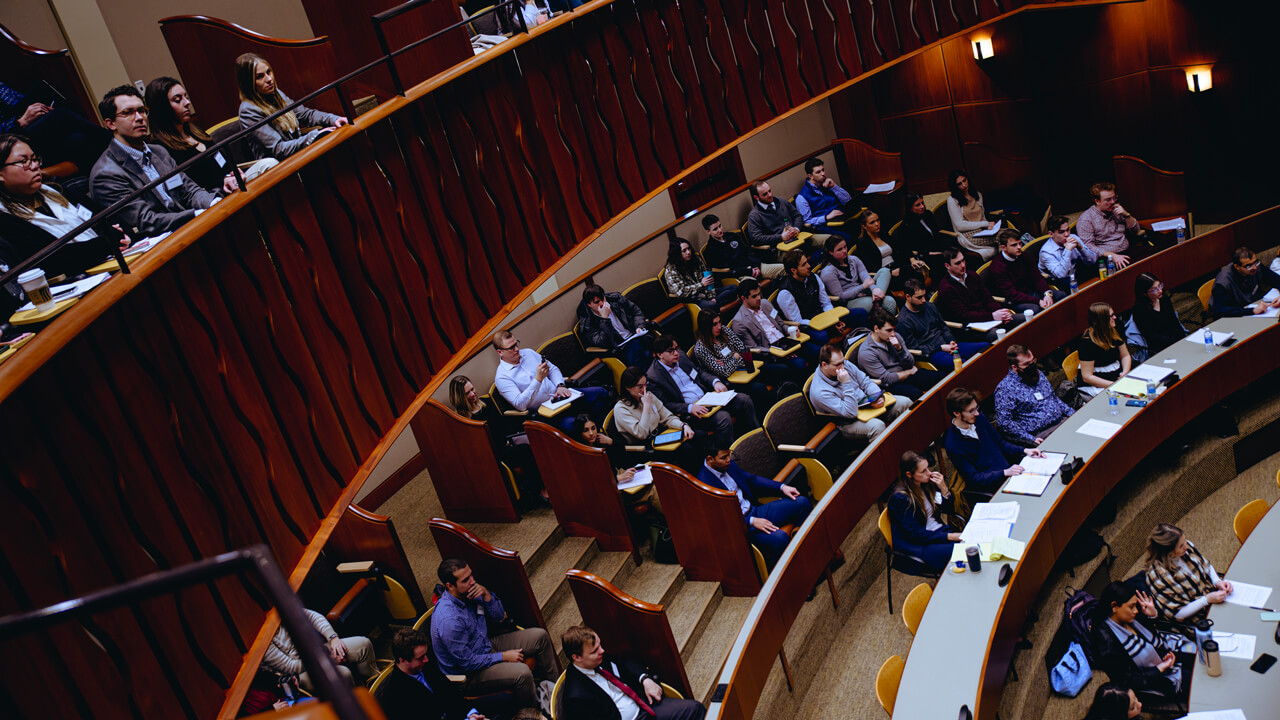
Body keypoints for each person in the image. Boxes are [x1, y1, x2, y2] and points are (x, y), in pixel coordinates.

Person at [89, 85, 226, 237]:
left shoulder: (158, 151)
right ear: (111, 123)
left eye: (141, 110)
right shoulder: (105, 174)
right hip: (160, 241)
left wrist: (213, 202)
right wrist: (196, 214)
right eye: (128, 112)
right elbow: (146, 221)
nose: (139, 118)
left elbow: (190, 191)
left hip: (191, 227)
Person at [0, 134, 130, 288]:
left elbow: (109, 219)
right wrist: (108, 242)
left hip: (114, 265)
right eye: (24, 162)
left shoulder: (59, 191)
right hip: (76, 287)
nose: (34, 166)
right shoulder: (5, 221)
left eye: (34, 159)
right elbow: (57, 259)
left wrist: (121, 236)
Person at [430, 559, 559, 710]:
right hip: (469, 674)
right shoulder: (449, 620)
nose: (472, 581)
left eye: (471, 575)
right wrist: (503, 656)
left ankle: (556, 695)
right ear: (450, 586)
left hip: (485, 645)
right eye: (465, 580)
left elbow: (499, 617)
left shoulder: (471, 592)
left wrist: (486, 595)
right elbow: (467, 662)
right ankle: (534, 714)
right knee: (522, 673)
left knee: (540, 636)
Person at [145, 77, 278, 193]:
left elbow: (224, 163)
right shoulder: (161, 149)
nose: (187, 103)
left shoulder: (196, 132)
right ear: (162, 108)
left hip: (235, 183)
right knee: (269, 164)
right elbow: (188, 187)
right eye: (178, 100)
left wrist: (233, 172)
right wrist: (224, 181)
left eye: (186, 97)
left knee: (271, 165)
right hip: (213, 196)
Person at [696, 443, 810, 566]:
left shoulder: (727, 464)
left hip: (754, 510)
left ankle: (803, 548)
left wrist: (782, 487)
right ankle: (785, 576)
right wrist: (751, 521)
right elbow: (720, 521)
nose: (728, 459)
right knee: (780, 538)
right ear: (710, 459)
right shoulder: (704, 485)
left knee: (802, 502)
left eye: (729, 455)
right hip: (741, 528)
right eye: (723, 457)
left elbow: (752, 480)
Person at [559, 625, 706, 720]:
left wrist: (645, 679)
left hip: (643, 705)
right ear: (576, 658)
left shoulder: (598, 659)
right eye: (595, 650)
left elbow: (624, 664)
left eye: (600, 645)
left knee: (695, 709)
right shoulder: (576, 697)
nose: (602, 650)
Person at [646, 333, 757, 447]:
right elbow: (665, 405)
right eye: (670, 351)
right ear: (660, 354)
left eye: (676, 348)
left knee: (744, 400)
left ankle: (755, 438)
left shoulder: (681, 357)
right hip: (691, 413)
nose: (676, 353)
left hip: (708, 398)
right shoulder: (654, 377)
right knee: (723, 418)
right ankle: (726, 453)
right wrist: (689, 408)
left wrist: (715, 382)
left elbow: (699, 372)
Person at [236, 53, 348, 160]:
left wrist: (334, 119)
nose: (269, 79)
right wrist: (315, 135)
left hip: (298, 155)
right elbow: (278, 149)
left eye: (268, 72)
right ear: (248, 84)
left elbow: (306, 114)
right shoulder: (248, 110)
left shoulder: (276, 93)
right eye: (260, 77)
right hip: (279, 166)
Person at [1088, 582, 1183, 699]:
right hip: (1152, 680)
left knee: (1198, 655)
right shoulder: (1105, 643)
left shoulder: (1130, 617)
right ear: (1114, 606)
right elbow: (1126, 681)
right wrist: (1160, 669)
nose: (1136, 610)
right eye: (1131, 606)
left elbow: (1155, 636)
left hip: (1166, 652)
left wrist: (1153, 616)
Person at [492, 330, 610, 423]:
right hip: (546, 411)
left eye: (516, 344)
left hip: (561, 395)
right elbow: (520, 404)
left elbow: (553, 370)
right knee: (574, 424)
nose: (517, 349)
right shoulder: (502, 377)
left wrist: (560, 385)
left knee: (601, 393)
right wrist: (538, 380)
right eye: (511, 348)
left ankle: (597, 430)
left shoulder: (528, 353)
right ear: (500, 352)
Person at [374, 628, 490, 720]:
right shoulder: (394, 694)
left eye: (425, 654)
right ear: (403, 660)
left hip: (456, 711)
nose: (426, 659)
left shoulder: (425, 663)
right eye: (420, 658)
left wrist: (471, 714)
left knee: (500, 701)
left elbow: (450, 692)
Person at [943, 388, 1043, 494]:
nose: (977, 413)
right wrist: (1004, 472)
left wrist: (1025, 450)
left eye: (976, 408)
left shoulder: (979, 418)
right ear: (956, 413)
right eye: (971, 411)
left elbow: (1001, 443)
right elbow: (974, 478)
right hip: (994, 487)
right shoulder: (953, 444)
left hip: (1010, 474)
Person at [0, 81, 110, 175]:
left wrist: (38, 109)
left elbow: (15, 101)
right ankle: (115, 142)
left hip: (21, 125)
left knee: (78, 139)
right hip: (8, 140)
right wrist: (20, 122)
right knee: (60, 115)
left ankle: (110, 174)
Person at [808, 344, 910, 442]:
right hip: (847, 422)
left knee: (905, 402)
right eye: (838, 365)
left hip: (867, 405)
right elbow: (850, 412)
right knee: (877, 426)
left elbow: (865, 381)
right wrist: (846, 383)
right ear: (824, 365)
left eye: (843, 362)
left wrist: (877, 396)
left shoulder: (844, 364)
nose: (843, 367)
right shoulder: (819, 391)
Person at [260, 607, 377, 690]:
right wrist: (325, 659)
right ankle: (357, 706)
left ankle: (374, 687)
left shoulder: (278, 610)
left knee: (363, 645)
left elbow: (313, 617)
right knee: (343, 674)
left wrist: (333, 638)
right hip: (298, 673)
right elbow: (290, 667)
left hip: (316, 652)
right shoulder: (261, 638)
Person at [1142, 523, 1233, 622]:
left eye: (1184, 540)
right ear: (1168, 553)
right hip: (1199, 617)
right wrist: (1206, 600)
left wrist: (1217, 582)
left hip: (1215, 596)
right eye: (1181, 546)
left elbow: (1205, 564)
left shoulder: (1186, 548)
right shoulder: (1157, 576)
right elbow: (1177, 613)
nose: (1186, 545)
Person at [887, 450, 961, 572]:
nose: (929, 473)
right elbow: (916, 534)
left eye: (928, 468)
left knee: (973, 546)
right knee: (964, 553)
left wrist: (944, 489)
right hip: (920, 545)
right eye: (923, 471)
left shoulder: (926, 483)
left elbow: (949, 510)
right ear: (909, 474)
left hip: (938, 534)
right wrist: (951, 536)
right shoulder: (900, 498)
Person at [856, 308, 946, 401]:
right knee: (918, 396)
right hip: (890, 385)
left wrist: (900, 349)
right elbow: (887, 379)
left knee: (942, 378)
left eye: (894, 329)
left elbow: (910, 363)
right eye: (889, 330)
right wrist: (909, 372)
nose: (893, 334)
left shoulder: (896, 337)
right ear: (876, 329)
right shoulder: (866, 352)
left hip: (906, 374)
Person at [896, 279, 988, 368]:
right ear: (908, 297)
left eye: (924, 296)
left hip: (947, 345)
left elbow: (943, 327)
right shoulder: (903, 321)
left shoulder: (929, 306)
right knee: (961, 364)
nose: (924, 300)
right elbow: (914, 348)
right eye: (919, 297)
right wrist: (940, 347)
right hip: (932, 353)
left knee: (986, 347)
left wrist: (951, 341)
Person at [993, 344, 1073, 444]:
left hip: (1061, 421)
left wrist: (1072, 413)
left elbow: (1053, 398)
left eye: (1033, 361)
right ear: (1014, 367)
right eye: (1027, 364)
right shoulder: (1005, 389)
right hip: (1041, 433)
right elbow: (1004, 423)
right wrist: (1031, 439)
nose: (1032, 365)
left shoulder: (1038, 373)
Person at [689, 310, 768, 410]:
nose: (719, 327)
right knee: (760, 388)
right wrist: (735, 356)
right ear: (706, 327)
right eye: (714, 324)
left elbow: (742, 349)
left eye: (719, 322)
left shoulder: (724, 330)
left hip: (744, 369)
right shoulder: (701, 348)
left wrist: (728, 362)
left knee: (778, 370)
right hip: (730, 383)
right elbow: (724, 372)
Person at [731, 278, 817, 368]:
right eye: (754, 296)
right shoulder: (739, 322)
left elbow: (781, 323)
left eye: (759, 294)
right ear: (744, 298)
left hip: (786, 341)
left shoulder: (765, 304)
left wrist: (789, 330)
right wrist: (778, 351)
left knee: (817, 350)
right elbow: (754, 348)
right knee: (800, 363)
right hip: (771, 352)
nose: (759, 298)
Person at [935, 246, 1021, 329]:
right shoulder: (946, 288)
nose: (963, 265)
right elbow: (964, 316)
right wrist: (992, 316)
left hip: (989, 317)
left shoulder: (972, 275)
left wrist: (1001, 313)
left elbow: (987, 299)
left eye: (963, 260)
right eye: (958, 263)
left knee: (1022, 319)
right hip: (972, 327)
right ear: (947, 266)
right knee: (998, 333)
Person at [984, 229, 1064, 315]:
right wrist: (1038, 301)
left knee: (1060, 295)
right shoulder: (997, 266)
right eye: (1014, 245)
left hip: (1031, 292)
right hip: (1014, 300)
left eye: (1020, 243)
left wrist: (1047, 293)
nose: (1019, 247)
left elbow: (1037, 277)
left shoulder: (1024, 256)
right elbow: (1011, 294)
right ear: (1004, 248)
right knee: (1035, 309)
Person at [611, 365, 694, 447]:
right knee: (686, 448)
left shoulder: (648, 395)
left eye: (645, 384)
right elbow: (642, 434)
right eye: (640, 386)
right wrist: (646, 406)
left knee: (696, 436)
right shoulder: (621, 408)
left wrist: (683, 425)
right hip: (646, 446)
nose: (644, 389)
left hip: (661, 435)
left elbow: (667, 417)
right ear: (628, 387)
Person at [818, 235, 894, 319]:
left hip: (863, 291)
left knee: (885, 271)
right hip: (849, 300)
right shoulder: (828, 272)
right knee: (888, 302)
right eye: (840, 249)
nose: (844, 251)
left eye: (845, 247)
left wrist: (874, 289)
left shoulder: (853, 259)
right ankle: (879, 310)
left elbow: (865, 276)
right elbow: (840, 296)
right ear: (830, 252)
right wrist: (863, 286)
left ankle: (877, 302)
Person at [576, 283, 652, 368]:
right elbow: (604, 342)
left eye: (602, 299)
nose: (602, 304)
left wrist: (639, 326)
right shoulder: (588, 323)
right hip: (620, 348)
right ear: (589, 305)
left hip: (635, 335)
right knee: (641, 353)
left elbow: (636, 312)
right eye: (597, 302)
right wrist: (604, 319)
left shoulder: (616, 299)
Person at [746, 180, 828, 252]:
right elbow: (756, 239)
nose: (770, 195)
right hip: (780, 248)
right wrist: (781, 237)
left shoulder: (782, 201)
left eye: (770, 191)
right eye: (765, 194)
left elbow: (798, 216)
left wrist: (796, 228)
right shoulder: (755, 215)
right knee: (798, 255)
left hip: (799, 238)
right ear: (756, 197)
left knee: (831, 241)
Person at [1077, 182, 1143, 269]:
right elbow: (1088, 246)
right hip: (1106, 257)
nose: (1113, 202)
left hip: (1127, 250)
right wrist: (1112, 255)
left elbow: (1136, 231)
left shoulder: (1117, 210)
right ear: (1097, 201)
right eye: (1108, 200)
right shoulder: (1086, 219)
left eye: (1114, 198)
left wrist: (1127, 215)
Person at [775, 249, 834, 347]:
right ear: (793, 270)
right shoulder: (785, 293)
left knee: (858, 314)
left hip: (822, 316)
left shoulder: (813, 277)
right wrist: (823, 324)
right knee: (823, 336)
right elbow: (798, 321)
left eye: (807, 262)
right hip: (807, 325)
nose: (809, 266)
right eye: (804, 264)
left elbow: (826, 303)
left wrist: (832, 319)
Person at [700, 213, 782, 280]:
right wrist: (748, 271)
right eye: (715, 229)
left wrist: (755, 266)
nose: (720, 230)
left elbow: (748, 251)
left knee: (784, 268)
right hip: (740, 276)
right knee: (753, 286)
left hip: (754, 266)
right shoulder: (710, 250)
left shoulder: (732, 236)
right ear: (708, 232)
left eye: (720, 226)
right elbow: (729, 270)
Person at [662, 237, 735, 310]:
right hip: (693, 299)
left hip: (706, 292)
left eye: (689, 248)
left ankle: (716, 302)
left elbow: (708, 280)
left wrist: (712, 297)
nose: (688, 252)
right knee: (712, 305)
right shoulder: (671, 270)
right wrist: (701, 284)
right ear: (677, 253)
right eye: (684, 251)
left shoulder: (696, 259)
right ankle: (717, 303)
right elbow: (681, 292)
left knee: (734, 287)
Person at [1077, 302, 1130, 397]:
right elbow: (1087, 377)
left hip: (1115, 376)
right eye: (1111, 316)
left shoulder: (1114, 329)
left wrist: (1125, 373)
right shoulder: (1087, 342)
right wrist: (1114, 385)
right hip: (1097, 383)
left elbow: (1125, 356)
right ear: (1102, 320)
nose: (1115, 317)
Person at [1209, 246, 1280, 317]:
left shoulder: (1256, 266)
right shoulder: (1223, 282)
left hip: (1255, 308)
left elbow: (1277, 280)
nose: (1255, 267)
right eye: (1249, 266)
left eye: (1256, 262)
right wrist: (1252, 311)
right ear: (1237, 267)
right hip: (1235, 314)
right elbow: (1219, 310)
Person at [891, 192, 946, 282]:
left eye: (922, 203)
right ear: (910, 208)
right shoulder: (907, 225)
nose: (922, 206)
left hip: (936, 247)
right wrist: (929, 253)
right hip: (923, 254)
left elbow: (936, 234)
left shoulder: (928, 214)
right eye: (918, 205)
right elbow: (906, 248)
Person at [1129, 273, 1187, 359]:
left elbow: (1174, 322)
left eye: (1160, 286)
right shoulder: (1139, 310)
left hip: (1175, 340)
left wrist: (1182, 339)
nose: (1160, 291)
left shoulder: (1164, 299)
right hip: (1158, 349)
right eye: (1154, 290)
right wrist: (1174, 343)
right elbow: (1152, 336)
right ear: (1144, 293)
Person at [794, 157, 858, 233]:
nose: (823, 174)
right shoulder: (801, 197)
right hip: (826, 226)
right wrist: (826, 217)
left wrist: (834, 187)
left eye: (823, 170)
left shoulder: (828, 184)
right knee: (850, 234)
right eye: (818, 172)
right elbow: (807, 222)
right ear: (810, 176)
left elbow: (848, 201)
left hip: (842, 218)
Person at [945, 169, 998, 260]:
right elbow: (960, 226)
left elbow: (982, 217)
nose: (964, 185)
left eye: (964, 180)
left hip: (983, 231)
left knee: (1010, 233)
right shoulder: (952, 200)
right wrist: (985, 224)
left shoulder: (977, 195)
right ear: (955, 186)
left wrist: (988, 227)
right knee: (1003, 237)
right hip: (968, 235)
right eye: (959, 184)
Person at [1038, 214, 1096, 290]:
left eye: (1068, 230)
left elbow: (1092, 261)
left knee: (1096, 267)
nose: (1067, 234)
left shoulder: (1073, 237)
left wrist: (1080, 247)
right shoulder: (1046, 252)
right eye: (1061, 232)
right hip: (1057, 281)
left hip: (1074, 273)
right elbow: (1061, 275)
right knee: (1066, 282)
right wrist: (1068, 250)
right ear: (1051, 234)